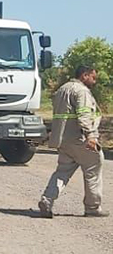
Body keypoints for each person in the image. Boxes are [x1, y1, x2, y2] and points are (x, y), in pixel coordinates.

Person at [38, 65, 107, 218]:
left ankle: (47, 200)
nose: (94, 81)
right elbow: (84, 115)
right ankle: (92, 207)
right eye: (93, 77)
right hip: (81, 139)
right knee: (93, 171)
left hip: (63, 140)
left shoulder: (62, 89)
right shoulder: (81, 91)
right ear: (84, 75)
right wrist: (90, 136)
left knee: (62, 172)